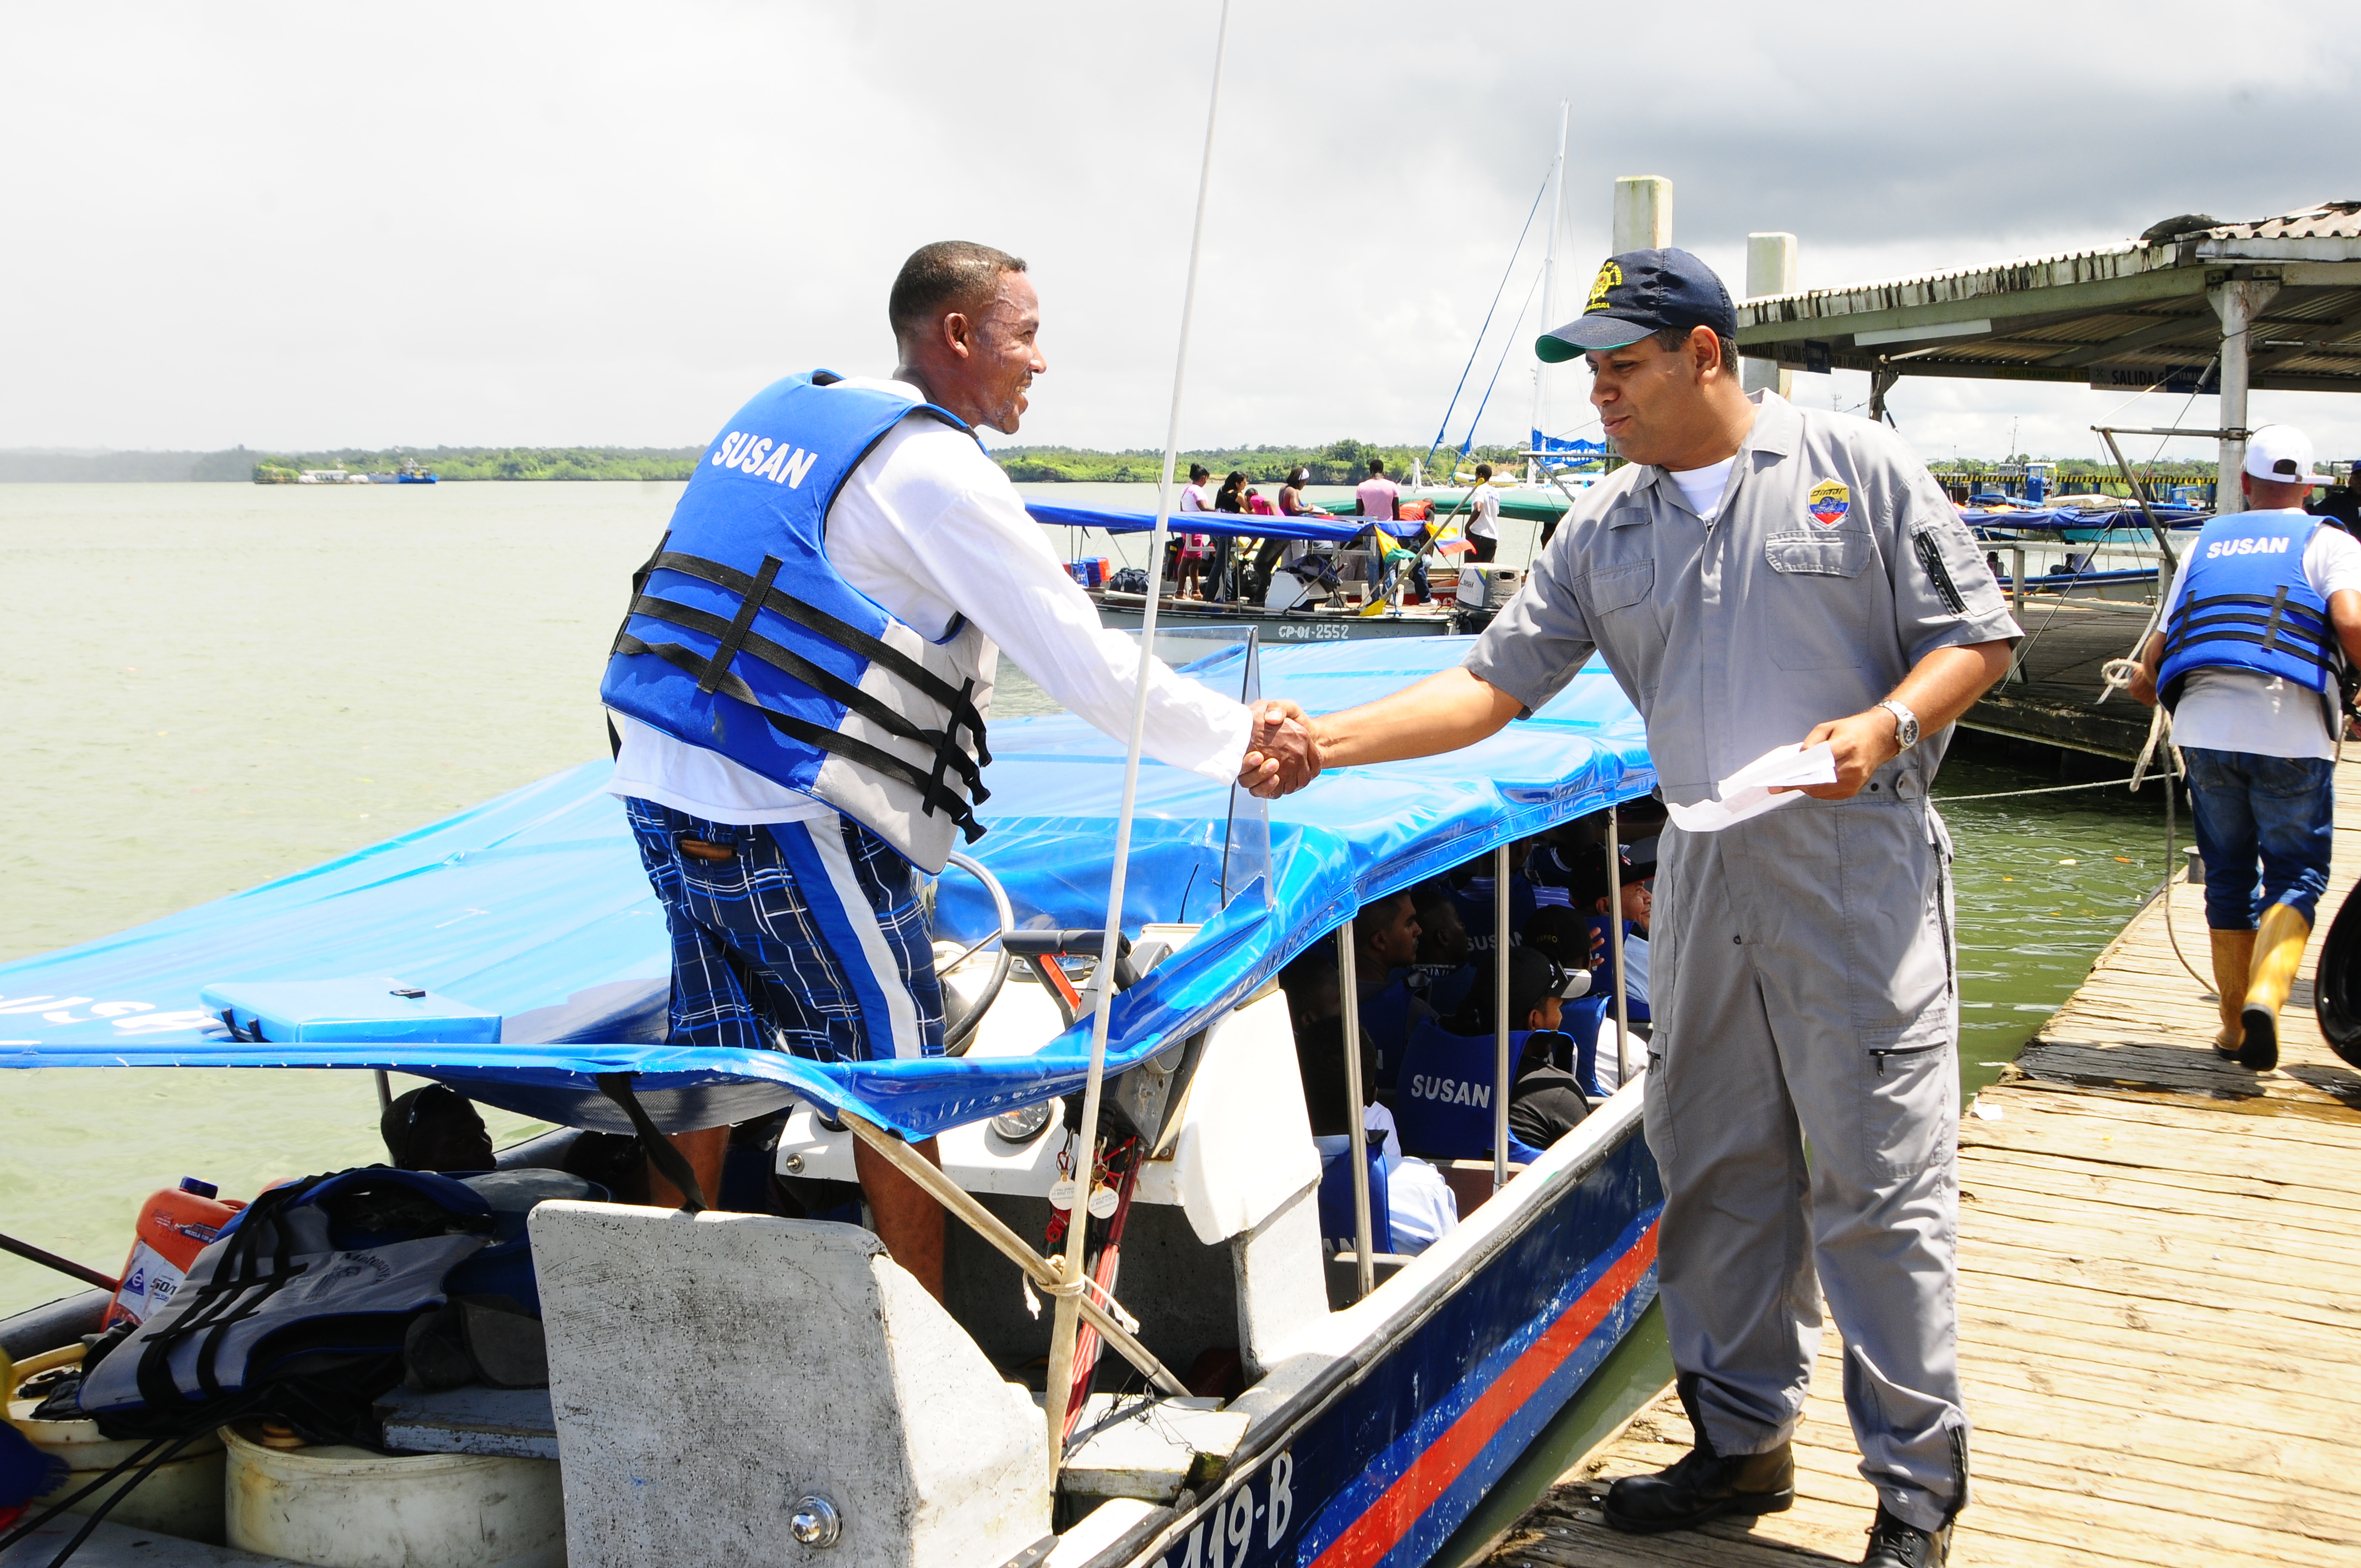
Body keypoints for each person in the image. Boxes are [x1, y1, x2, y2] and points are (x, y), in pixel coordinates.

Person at [1252, 247, 2018, 1567]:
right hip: (1706, 871)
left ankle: (1911, 1487)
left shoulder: (1855, 469)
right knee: (1714, 1165)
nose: (1598, 391)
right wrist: (1328, 738)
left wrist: (1886, 723)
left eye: (1621, 365)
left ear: (1704, 355)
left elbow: (1980, 635)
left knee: (1877, 1184)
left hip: (1856, 868)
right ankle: (1738, 1441)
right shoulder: (1605, 527)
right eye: (1590, 369)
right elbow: (1491, 688)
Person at [601, 240, 1316, 1300]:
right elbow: (1085, 661)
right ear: (957, 335)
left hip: (658, 788)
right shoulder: (936, 471)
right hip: (785, 810)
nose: (1039, 362)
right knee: (896, 1078)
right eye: (1025, 334)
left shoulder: (795, 417)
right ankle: (922, 1365)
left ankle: (667, 1321)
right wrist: (1240, 735)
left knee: (707, 1057)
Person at [2129, 423, 2361, 1069]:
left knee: (2228, 874)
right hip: (2288, 726)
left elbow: (2166, 635)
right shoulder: (2329, 541)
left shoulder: (2208, 537)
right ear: (2310, 487)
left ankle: (2233, 1028)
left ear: (2244, 482)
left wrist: (2147, 684)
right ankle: (2265, 992)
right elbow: (2349, 621)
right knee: (2297, 873)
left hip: (2203, 728)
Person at [2307, 460, 2360, 535]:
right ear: (2350, 481)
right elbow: (2311, 524)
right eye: (2358, 477)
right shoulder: (2333, 503)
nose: (2360, 482)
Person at [1467, 462, 1502, 564]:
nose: (1475, 479)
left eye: (1476, 476)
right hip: (1493, 537)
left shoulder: (1480, 489)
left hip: (1478, 535)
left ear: (1481, 475)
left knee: (1472, 570)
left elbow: (1478, 509)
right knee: (1487, 572)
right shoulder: (1496, 493)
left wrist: (1468, 526)